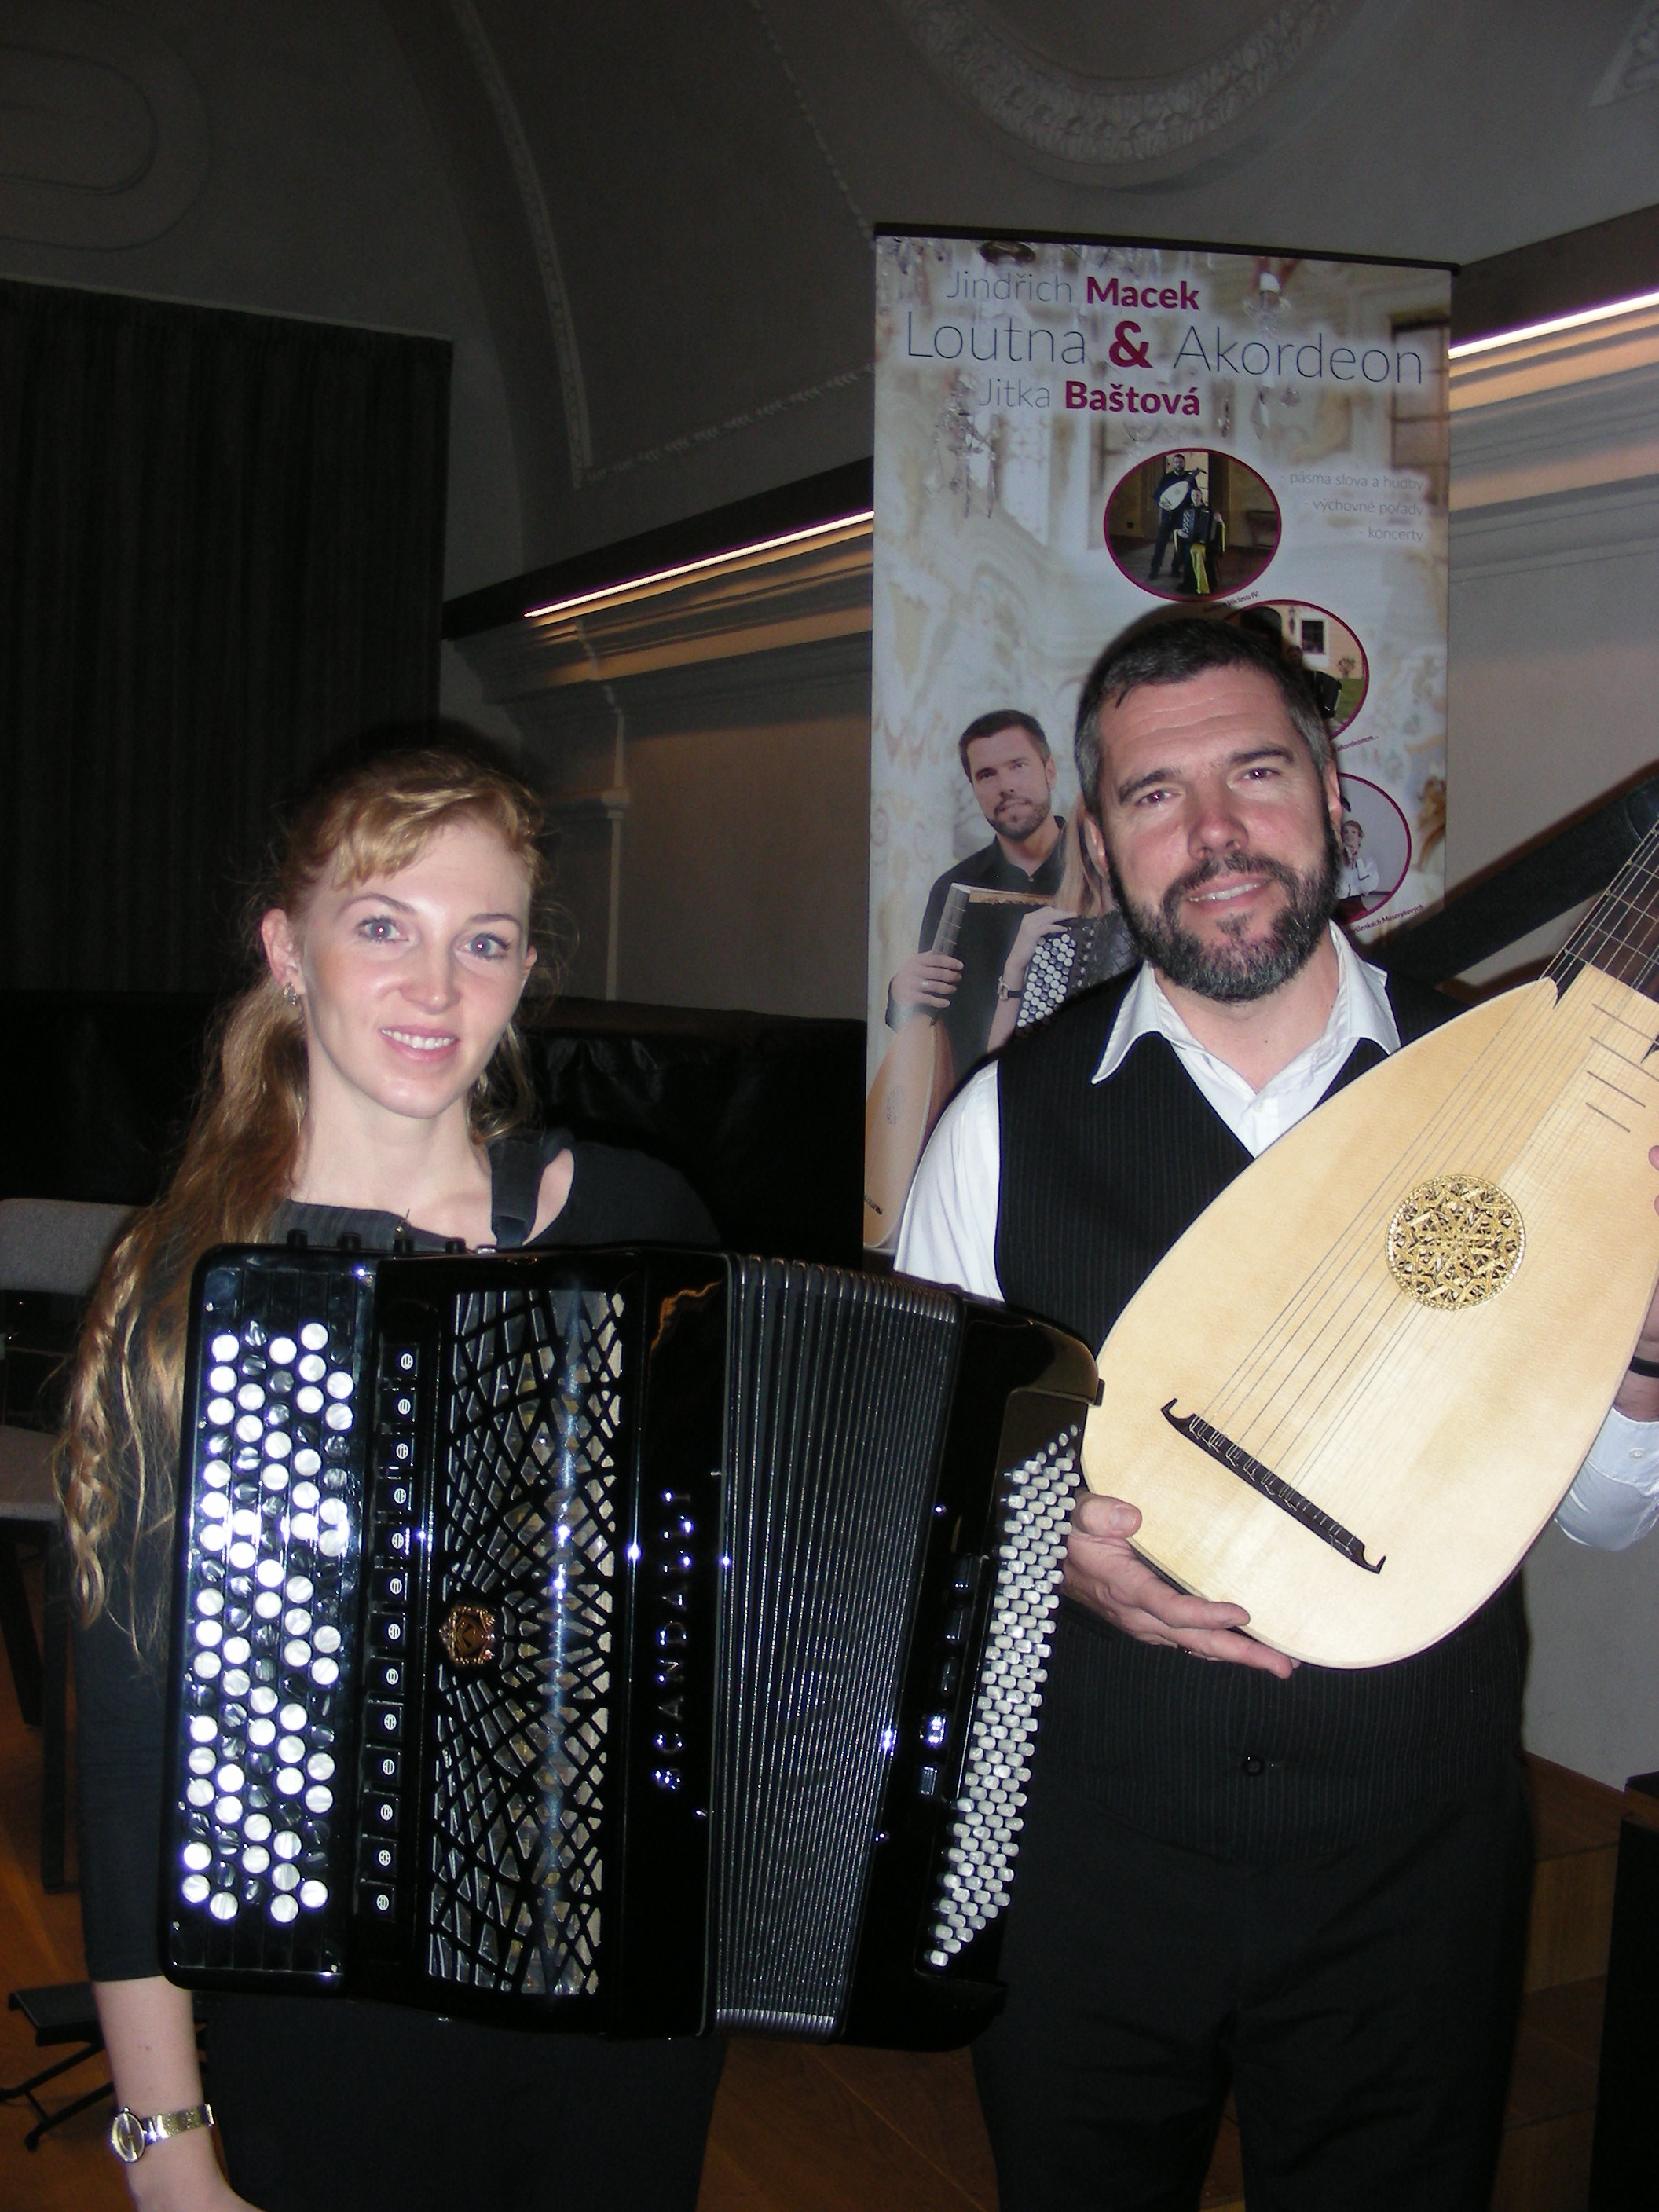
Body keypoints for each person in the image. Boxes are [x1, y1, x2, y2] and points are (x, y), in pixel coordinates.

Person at [896, 614, 1659, 2212]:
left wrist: (1643, 1351)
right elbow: (916, 1480)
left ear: (1325, 786)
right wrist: (1042, 1543)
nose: (1216, 832)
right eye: (1155, 795)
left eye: (1253, 771)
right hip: (1086, 1862)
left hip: (1410, 1868)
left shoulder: (1513, 1086)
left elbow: (1599, 1507)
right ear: (1096, 841)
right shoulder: (1002, 1123)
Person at [59, 746, 723, 2212]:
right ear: (285, 950)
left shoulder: (641, 1221)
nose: (436, 987)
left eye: (482, 941)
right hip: (328, 2015)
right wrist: (166, 2142)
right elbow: (129, 1749)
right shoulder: (183, 1282)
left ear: (525, 971)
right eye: (383, 926)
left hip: (623, 2002)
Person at [887, 710, 1065, 1084]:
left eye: (1018, 765)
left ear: (1049, 771)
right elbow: (931, 1025)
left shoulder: (1104, 870)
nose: (1006, 786)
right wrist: (900, 995)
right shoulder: (954, 889)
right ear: (974, 789)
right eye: (987, 775)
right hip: (984, 1095)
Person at [983, 810, 1135, 1053]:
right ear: (1085, 842)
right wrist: (1014, 969)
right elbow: (997, 1065)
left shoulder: (1176, 929)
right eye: (1097, 829)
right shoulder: (1060, 939)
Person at [1146, 453, 1199, 580]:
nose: (1178, 464)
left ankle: (1175, 569)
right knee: (1161, 542)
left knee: (1180, 543)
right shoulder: (1167, 477)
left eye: (1181, 462)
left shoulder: (1190, 479)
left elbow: (1194, 496)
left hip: (1182, 515)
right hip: (1168, 514)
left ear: (1184, 463)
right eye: (1176, 462)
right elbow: (1157, 494)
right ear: (1173, 464)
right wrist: (1161, 502)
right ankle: (1154, 570)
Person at [1336, 811, 1382, 913]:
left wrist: (1359, 861)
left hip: (1356, 907)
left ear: (1359, 837)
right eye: (1346, 832)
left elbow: (1367, 888)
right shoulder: (1336, 860)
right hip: (1337, 907)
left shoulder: (1368, 862)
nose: (1349, 835)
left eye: (1353, 832)